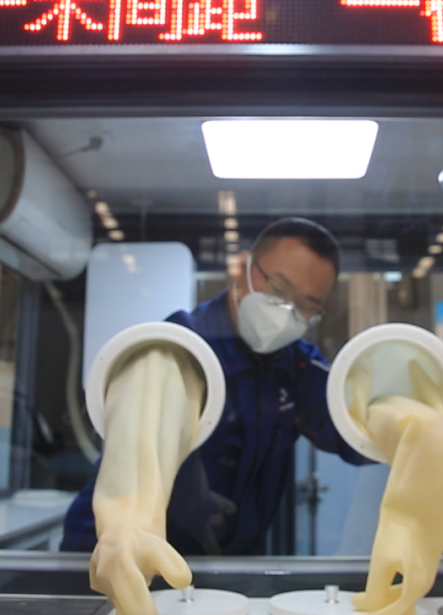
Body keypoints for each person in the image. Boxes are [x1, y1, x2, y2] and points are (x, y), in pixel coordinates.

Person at [61, 217, 369, 556]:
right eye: (279, 289)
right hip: (114, 548)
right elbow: (137, 449)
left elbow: (354, 433)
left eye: (307, 306)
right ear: (241, 268)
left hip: (226, 563)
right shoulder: (179, 347)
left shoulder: (298, 368)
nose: (286, 312)